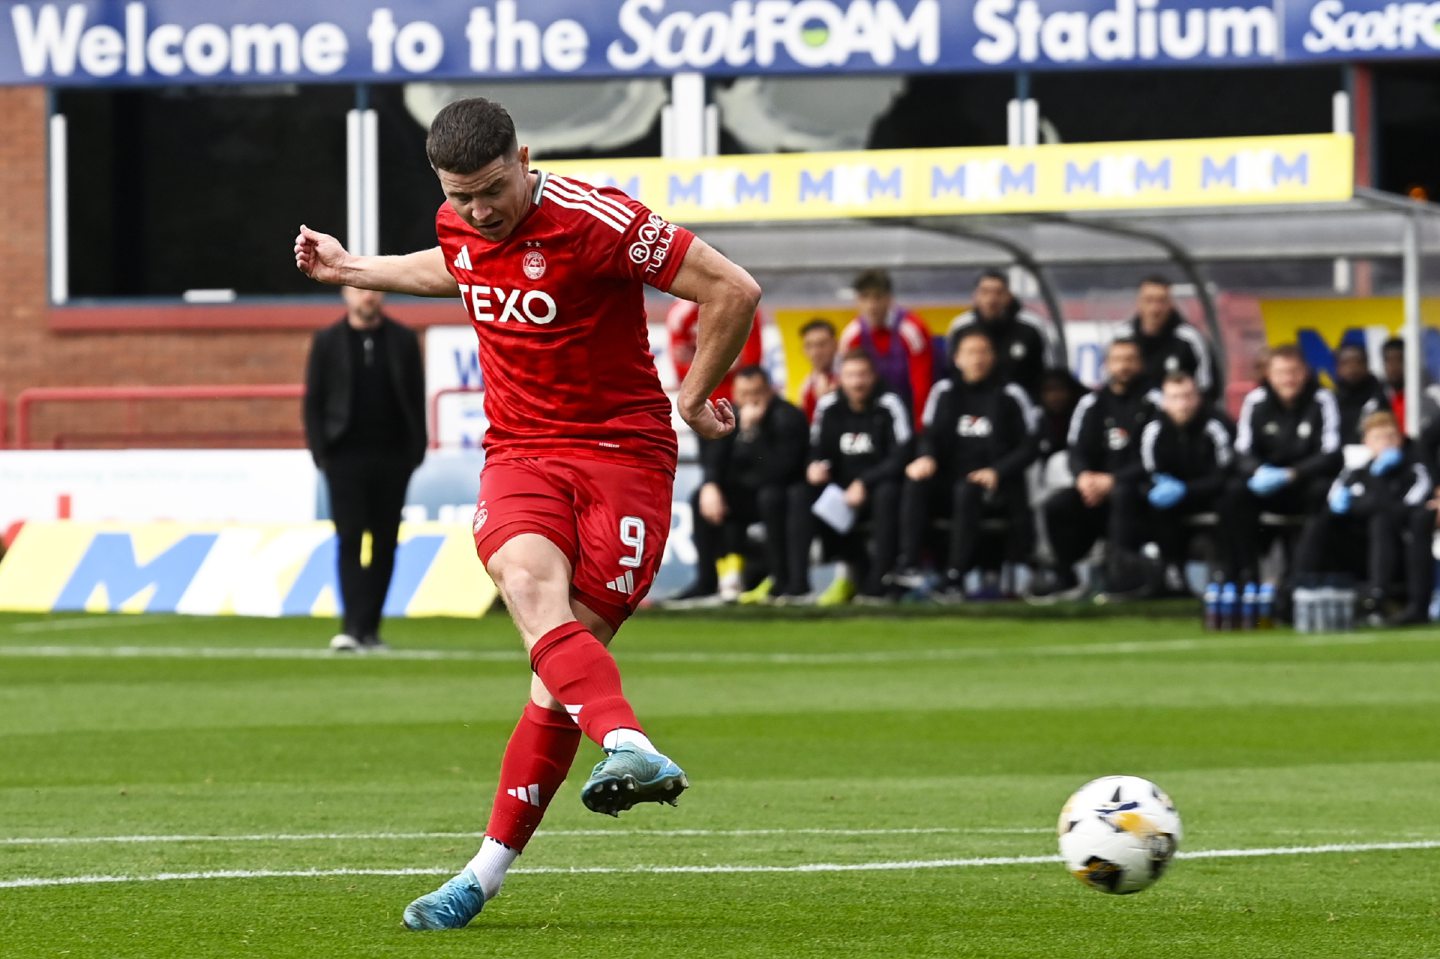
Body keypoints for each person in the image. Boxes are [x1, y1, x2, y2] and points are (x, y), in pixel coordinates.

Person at [294, 96, 761, 930]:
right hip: (519, 450)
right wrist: (354, 267)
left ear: (525, 157)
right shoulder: (459, 222)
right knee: (526, 585)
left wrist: (694, 395)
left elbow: (731, 286)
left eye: (490, 191)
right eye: (459, 195)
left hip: (625, 456)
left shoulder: (599, 220)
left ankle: (487, 870)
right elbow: (454, 263)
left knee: (556, 682)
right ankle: (626, 746)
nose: (477, 211)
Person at [302, 286, 427, 652]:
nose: (367, 298)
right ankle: (352, 627)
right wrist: (322, 452)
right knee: (350, 540)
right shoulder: (327, 341)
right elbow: (314, 400)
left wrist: (415, 450)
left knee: (386, 543)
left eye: (373, 291)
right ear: (345, 294)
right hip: (345, 458)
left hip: (393, 458)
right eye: (359, 291)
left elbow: (415, 395)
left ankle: (369, 629)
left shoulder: (403, 340)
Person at [893, 329, 1039, 602]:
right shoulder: (944, 392)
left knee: (967, 490)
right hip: (948, 479)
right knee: (914, 480)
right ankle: (908, 565)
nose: (977, 359)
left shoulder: (1011, 394)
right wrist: (926, 457)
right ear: (958, 358)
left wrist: (998, 470)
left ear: (993, 357)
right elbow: (928, 435)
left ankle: (955, 575)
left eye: (983, 352)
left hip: (993, 484)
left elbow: (1030, 446)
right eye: (970, 352)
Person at [669, 366, 810, 605]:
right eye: (744, 394)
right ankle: (707, 581)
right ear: (735, 394)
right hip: (741, 496)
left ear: (769, 391)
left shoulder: (788, 416)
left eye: (757, 392)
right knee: (700, 498)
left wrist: (751, 432)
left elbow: (781, 470)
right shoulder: (724, 416)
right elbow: (714, 459)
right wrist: (711, 485)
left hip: (778, 494)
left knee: (772, 497)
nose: (750, 400)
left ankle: (783, 580)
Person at [1030, 338, 1154, 600]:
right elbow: (1076, 450)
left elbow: (1155, 456)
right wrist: (1084, 477)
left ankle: (1123, 575)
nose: (1124, 366)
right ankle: (1064, 575)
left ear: (1140, 364)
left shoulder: (1153, 402)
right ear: (1107, 365)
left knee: (1123, 493)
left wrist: (1113, 479)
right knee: (1058, 505)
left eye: (1130, 360)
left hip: (1140, 488)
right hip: (1094, 490)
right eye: (1118, 360)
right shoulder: (1091, 403)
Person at [788, 349, 910, 605]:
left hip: (877, 486)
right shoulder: (828, 406)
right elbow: (815, 448)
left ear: (874, 377)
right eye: (851, 375)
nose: (857, 382)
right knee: (800, 493)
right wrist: (813, 466)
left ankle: (878, 584)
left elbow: (902, 454)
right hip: (839, 489)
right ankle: (798, 585)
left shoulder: (889, 404)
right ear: (841, 378)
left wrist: (865, 482)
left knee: (889, 493)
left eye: (863, 375)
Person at [1293, 411, 1433, 625]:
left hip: (1399, 549)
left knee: (1381, 521)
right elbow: (1334, 506)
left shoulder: (1414, 472)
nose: (1385, 443)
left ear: (1400, 439)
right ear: (1366, 442)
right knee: (1318, 524)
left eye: (1390, 437)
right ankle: (1296, 589)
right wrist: (1358, 504)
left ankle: (1378, 597)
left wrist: (1372, 487)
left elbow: (1400, 510)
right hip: (1357, 548)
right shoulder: (1354, 472)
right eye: (1378, 438)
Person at [1220, 345, 1342, 585]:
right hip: (1267, 484)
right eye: (1281, 373)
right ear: (1269, 375)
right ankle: (1244, 574)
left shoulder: (1322, 399)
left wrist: (1293, 474)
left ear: (1305, 372)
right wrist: (1257, 471)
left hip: (1304, 482)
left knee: (1323, 492)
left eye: (1294, 372)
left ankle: (1300, 576)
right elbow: (1241, 451)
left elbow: (1331, 454)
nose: (1288, 379)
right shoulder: (1256, 401)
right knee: (1233, 494)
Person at [1119, 371, 1234, 592]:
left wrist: (1187, 490)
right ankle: (1164, 571)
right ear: (1164, 401)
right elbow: (1150, 471)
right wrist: (1160, 487)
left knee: (1233, 496)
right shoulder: (1153, 429)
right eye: (1175, 397)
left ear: (1198, 397)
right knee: (1147, 502)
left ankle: (1233, 572)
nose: (1183, 404)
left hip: (1208, 494)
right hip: (1171, 500)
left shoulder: (1216, 425)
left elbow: (1225, 473)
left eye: (1188, 396)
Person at [945, 269, 1064, 400]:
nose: (991, 299)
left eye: (998, 292)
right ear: (976, 295)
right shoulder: (962, 326)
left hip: (1022, 406)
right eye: (985, 292)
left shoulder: (1031, 327)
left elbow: (1047, 371)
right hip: (972, 407)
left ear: (1008, 295)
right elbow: (951, 371)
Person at [837, 268, 934, 429]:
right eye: (865, 298)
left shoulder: (912, 329)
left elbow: (922, 385)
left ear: (889, 299)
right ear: (857, 301)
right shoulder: (851, 335)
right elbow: (847, 385)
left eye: (877, 297)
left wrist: (920, 429)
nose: (871, 305)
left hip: (909, 413)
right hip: (871, 419)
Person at [1114, 275, 1217, 403]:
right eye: (1149, 300)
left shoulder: (1189, 339)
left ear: (1171, 303)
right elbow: (1110, 383)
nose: (1155, 309)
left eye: (1161, 301)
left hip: (1176, 418)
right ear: (1139, 302)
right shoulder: (1123, 336)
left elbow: (1207, 387)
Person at [665, 298, 763, 404]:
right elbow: (681, 369)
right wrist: (729, 361)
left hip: (739, 398)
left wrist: (700, 363)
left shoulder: (743, 303)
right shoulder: (680, 312)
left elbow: (752, 361)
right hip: (700, 399)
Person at [1331, 342, 1390, 444]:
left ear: (1367, 365)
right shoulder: (1330, 401)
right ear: (1338, 368)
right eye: (1346, 363)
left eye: (1358, 362)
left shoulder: (1381, 396)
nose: (1352, 368)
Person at [796, 318, 840, 422]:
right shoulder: (805, 385)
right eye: (809, 346)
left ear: (835, 345)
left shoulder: (849, 378)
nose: (816, 352)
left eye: (822, 345)